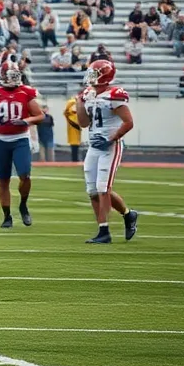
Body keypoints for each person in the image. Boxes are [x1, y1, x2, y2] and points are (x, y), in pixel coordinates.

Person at [77, 59, 139, 243]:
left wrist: (110, 138)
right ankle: (128, 215)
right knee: (93, 190)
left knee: (103, 188)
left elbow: (128, 122)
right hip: (94, 146)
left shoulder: (114, 95)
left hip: (110, 146)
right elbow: (83, 123)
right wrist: (80, 103)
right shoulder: (88, 94)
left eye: (95, 73)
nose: (91, 76)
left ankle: (104, 231)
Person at [0, 61, 44, 228]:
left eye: (15, 76)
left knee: (25, 175)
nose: (13, 80)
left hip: (20, 138)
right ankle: (7, 216)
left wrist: (25, 121)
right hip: (1, 140)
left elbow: (39, 115)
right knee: (3, 180)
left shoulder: (25, 92)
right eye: (11, 76)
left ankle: (23, 204)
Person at [63, 93, 82, 162]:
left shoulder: (73, 113)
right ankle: (74, 159)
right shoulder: (72, 104)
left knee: (75, 145)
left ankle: (75, 159)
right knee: (74, 145)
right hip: (74, 128)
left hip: (75, 129)